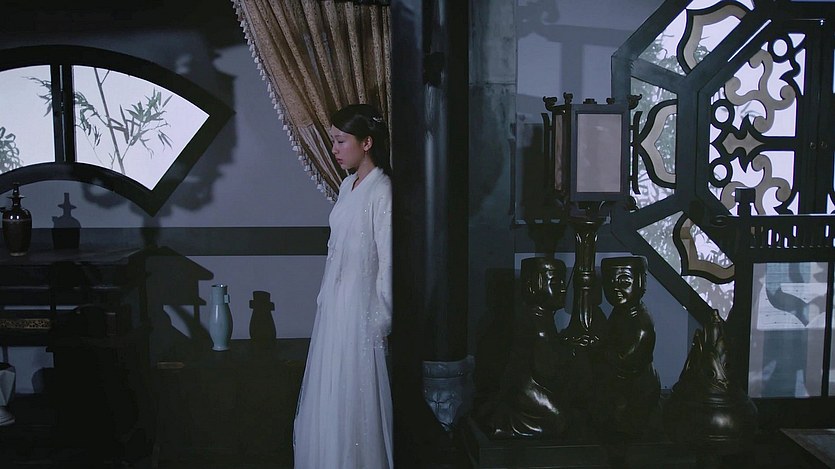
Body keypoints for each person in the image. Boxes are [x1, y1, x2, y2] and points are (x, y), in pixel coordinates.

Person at [293, 104, 393, 468]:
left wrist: (381, 316)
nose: (334, 149)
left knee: (355, 391)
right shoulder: (348, 185)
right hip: (336, 303)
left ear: (366, 142)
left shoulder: (382, 190)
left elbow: (388, 259)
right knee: (329, 388)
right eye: (333, 141)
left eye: (341, 141)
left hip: (361, 307)